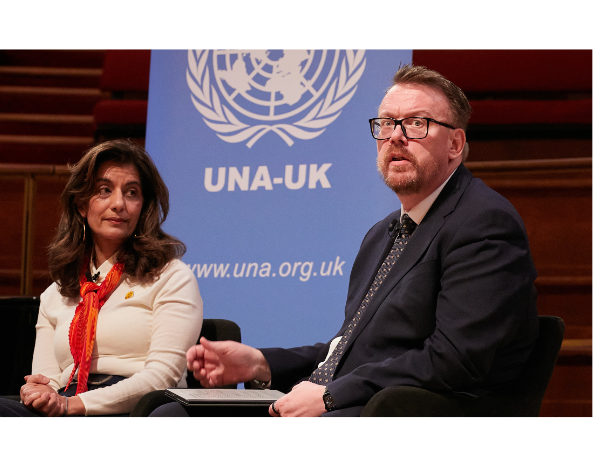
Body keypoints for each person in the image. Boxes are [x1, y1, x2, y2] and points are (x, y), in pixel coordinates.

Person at [151, 64, 538, 417]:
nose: (395, 137)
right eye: (386, 124)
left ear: (455, 144)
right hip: (350, 400)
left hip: (400, 411)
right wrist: (260, 363)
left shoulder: (483, 223)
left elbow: (454, 358)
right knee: (171, 416)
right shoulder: (383, 232)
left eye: (415, 123)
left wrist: (330, 396)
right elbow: (350, 349)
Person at [0, 139, 203, 416]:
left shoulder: (171, 276)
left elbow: (163, 377)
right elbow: (48, 379)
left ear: (143, 207)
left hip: (136, 410)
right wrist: (39, 391)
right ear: (81, 204)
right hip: (65, 405)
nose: (119, 204)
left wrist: (76, 405)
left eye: (131, 193)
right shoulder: (56, 293)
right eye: (104, 190)